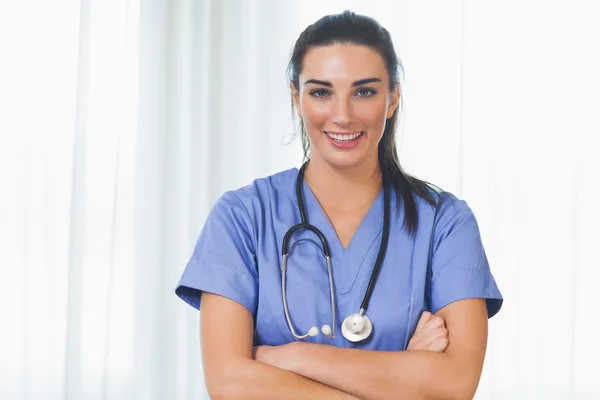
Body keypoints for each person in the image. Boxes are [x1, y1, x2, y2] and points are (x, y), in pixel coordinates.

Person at [175, 10, 503, 400]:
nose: (343, 115)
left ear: (393, 98)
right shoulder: (243, 218)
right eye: (321, 92)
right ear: (296, 97)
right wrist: (403, 377)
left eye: (364, 91)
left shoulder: (446, 224)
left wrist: (292, 357)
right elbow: (229, 383)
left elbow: (454, 383)